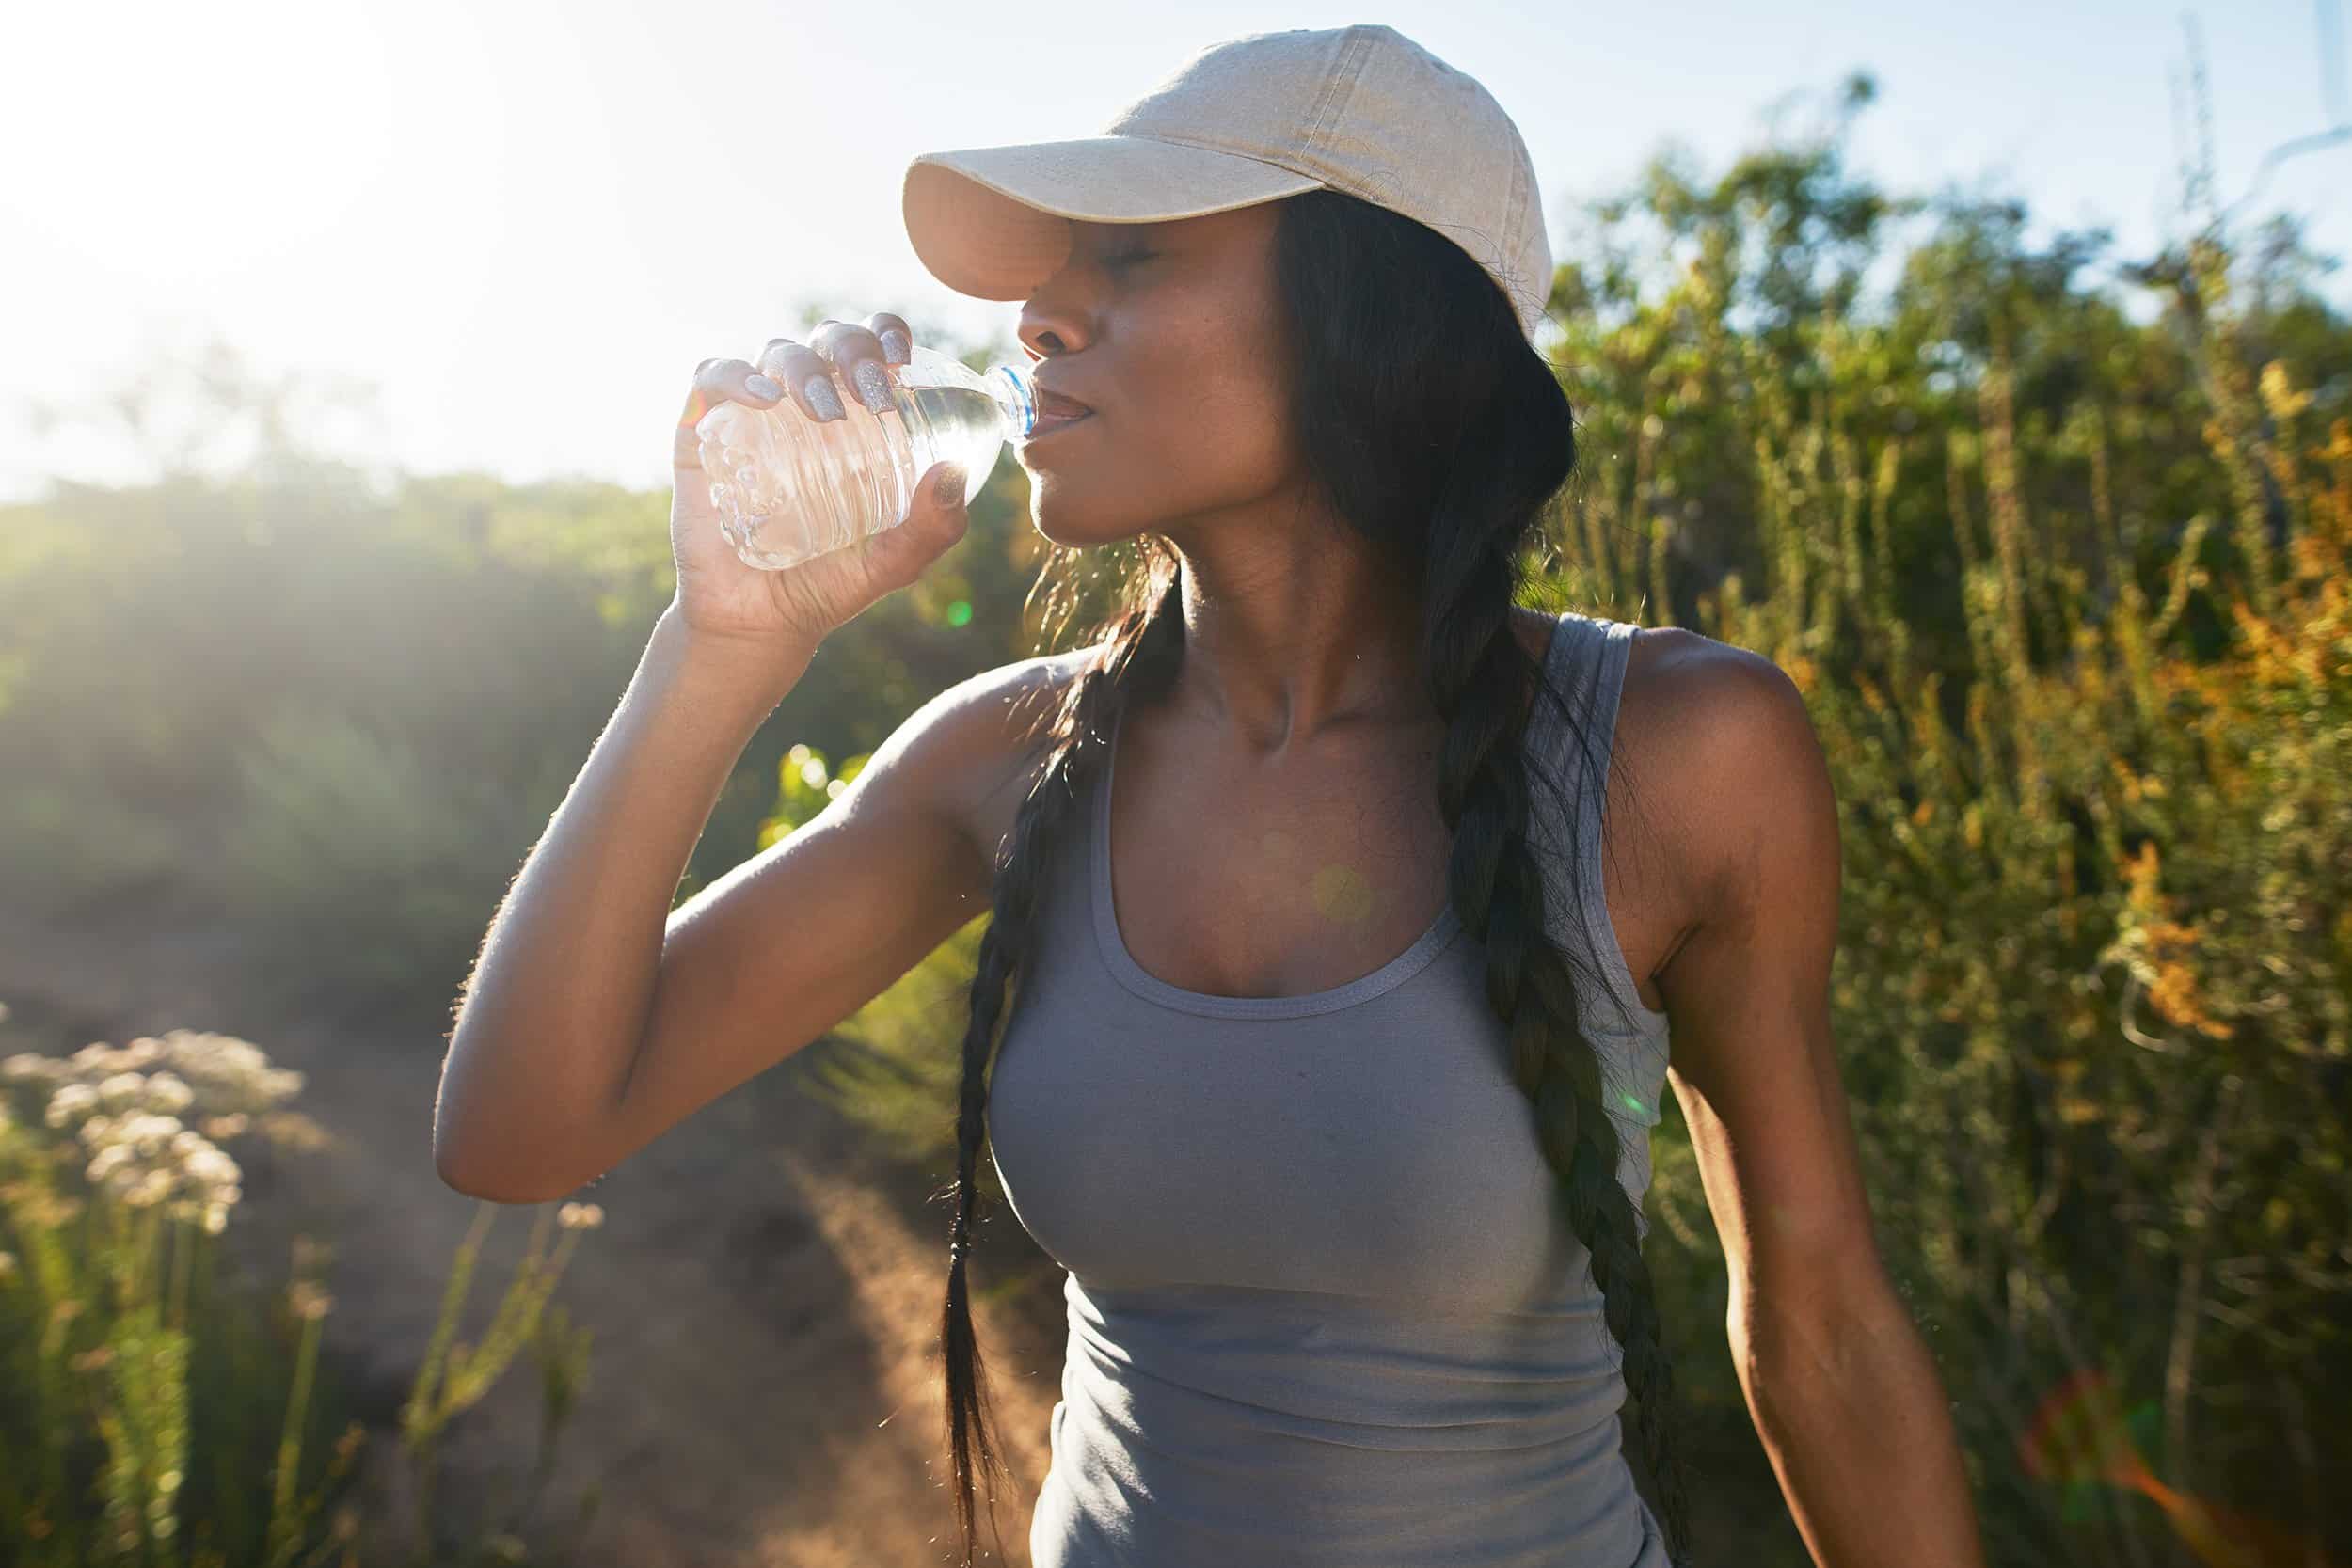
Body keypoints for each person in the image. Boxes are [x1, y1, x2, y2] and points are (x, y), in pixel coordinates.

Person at [433, 23, 1987, 1568]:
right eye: (1056, 269)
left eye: (1134, 256)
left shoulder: (1678, 753)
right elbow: (520, 1132)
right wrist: (719, 648)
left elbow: (1822, 1318)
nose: (1038, 316)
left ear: (1372, 316)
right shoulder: (1003, 758)